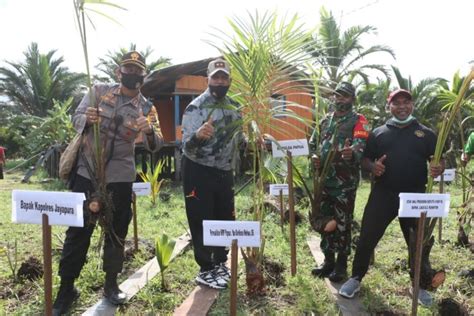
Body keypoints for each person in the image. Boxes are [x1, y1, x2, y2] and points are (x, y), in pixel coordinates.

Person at [53, 51, 163, 315]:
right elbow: (76, 117)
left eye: (138, 71)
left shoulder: (147, 108)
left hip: (120, 177)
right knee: (78, 231)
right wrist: (86, 119)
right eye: (128, 69)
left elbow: (157, 142)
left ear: (143, 76)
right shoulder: (98, 91)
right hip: (87, 172)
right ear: (118, 72)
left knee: (116, 232)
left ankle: (111, 284)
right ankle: (66, 287)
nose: (133, 74)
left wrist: (148, 131)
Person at [338, 89, 444, 306]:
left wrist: (438, 168)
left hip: (415, 197)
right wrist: (373, 167)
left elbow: (438, 160)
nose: (402, 106)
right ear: (389, 107)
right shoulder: (379, 133)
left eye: (406, 102)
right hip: (384, 194)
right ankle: (356, 277)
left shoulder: (425, 133)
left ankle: (419, 285)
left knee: (417, 242)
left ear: (412, 105)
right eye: (397, 103)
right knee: (367, 235)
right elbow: (365, 160)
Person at [181, 58, 242, 290]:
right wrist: (197, 135)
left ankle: (220, 262)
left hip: (224, 171)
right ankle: (205, 268)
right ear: (208, 79)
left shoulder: (235, 108)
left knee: (224, 216)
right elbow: (185, 147)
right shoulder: (195, 107)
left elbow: (239, 142)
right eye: (215, 77)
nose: (219, 81)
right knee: (201, 218)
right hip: (198, 170)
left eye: (223, 77)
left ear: (229, 80)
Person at [309, 81, 370, 282]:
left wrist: (351, 153)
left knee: (343, 223)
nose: (339, 99)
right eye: (337, 95)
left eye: (344, 96)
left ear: (352, 98)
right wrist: (315, 157)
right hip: (324, 182)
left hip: (345, 183)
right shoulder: (326, 120)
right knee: (325, 221)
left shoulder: (358, 120)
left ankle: (341, 266)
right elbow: (313, 144)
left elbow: (361, 144)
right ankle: (328, 261)